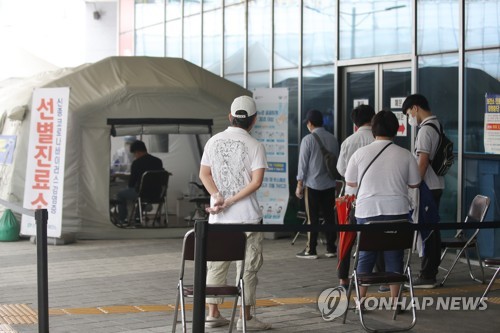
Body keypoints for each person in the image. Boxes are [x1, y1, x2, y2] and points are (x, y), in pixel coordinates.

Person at [199, 95, 271, 331]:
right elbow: (256, 182)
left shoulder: (213, 142)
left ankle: (212, 313)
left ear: (230, 117)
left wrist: (219, 196)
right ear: (254, 120)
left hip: (219, 218)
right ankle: (246, 318)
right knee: (248, 268)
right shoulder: (255, 145)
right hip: (248, 217)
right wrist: (231, 200)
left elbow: (204, 174)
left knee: (216, 265)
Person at [345, 110, 420, 306]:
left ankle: (360, 302)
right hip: (398, 212)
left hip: (367, 212)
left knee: (365, 256)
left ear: (373, 130)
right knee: (395, 255)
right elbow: (414, 184)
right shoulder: (406, 155)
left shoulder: (360, 154)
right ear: (396, 130)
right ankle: (396, 302)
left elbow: (350, 182)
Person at [402, 93, 445, 288]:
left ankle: (428, 275)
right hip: (436, 184)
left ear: (416, 108)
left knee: (428, 231)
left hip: (428, 186)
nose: (410, 117)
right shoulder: (436, 124)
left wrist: (414, 184)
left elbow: (423, 161)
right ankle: (430, 271)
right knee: (432, 230)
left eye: (409, 112)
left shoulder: (425, 130)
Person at [335, 104, 375, 289]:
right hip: (373, 197)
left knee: (345, 238)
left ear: (355, 122)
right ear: (373, 119)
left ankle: (343, 279)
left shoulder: (349, 141)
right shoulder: (377, 139)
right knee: (377, 237)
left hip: (351, 198)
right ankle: (381, 279)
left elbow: (341, 170)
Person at [295, 109, 339, 259]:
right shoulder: (333, 139)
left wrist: (299, 184)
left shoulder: (308, 140)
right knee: (329, 217)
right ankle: (331, 248)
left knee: (311, 218)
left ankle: (311, 249)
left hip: (312, 185)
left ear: (310, 123)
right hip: (330, 185)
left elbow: (303, 165)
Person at [116, 140, 163, 225]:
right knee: (143, 191)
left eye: (134, 153)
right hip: (158, 194)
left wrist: (130, 187)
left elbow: (131, 183)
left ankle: (122, 219)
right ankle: (137, 216)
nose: (134, 156)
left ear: (137, 152)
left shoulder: (136, 163)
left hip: (142, 194)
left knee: (120, 194)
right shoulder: (158, 161)